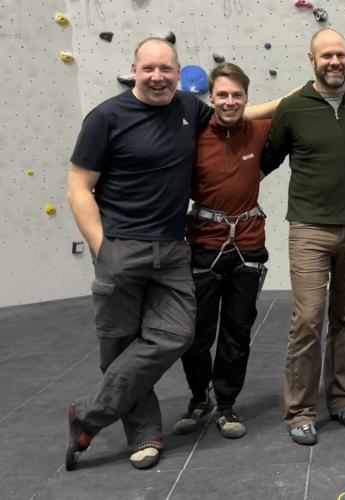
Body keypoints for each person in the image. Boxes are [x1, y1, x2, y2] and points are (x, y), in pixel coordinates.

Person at [65, 37, 213, 471]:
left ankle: (88, 416)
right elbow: (78, 186)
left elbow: (237, 113)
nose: (157, 77)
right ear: (134, 70)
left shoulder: (189, 108)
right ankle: (145, 435)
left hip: (171, 249)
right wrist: (101, 248)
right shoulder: (106, 117)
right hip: (120, 247)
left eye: (166, 69)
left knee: (176, 335)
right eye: (148, 69)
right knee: (119, 347)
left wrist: (296, 99)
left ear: (178, 71)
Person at [261, 28, 345, 446]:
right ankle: (300, 411)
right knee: (309, 320)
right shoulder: (294, 107)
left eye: (341, 54)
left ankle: (342, 399)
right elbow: (267, 161)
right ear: (311, 58)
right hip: (309, 229)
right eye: (326, 55)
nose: (334, 62)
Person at [171, 63, 271, 441]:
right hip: (204, 244)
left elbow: (292, 108)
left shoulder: (260, 130)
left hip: (247, 245)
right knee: (195, 334)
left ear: (247, 98)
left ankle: (226, 404)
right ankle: (199, 399)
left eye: (237, 95)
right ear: (210, 97)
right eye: (223, 95)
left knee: (237, 332)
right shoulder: (193, 135)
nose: (230, 101)